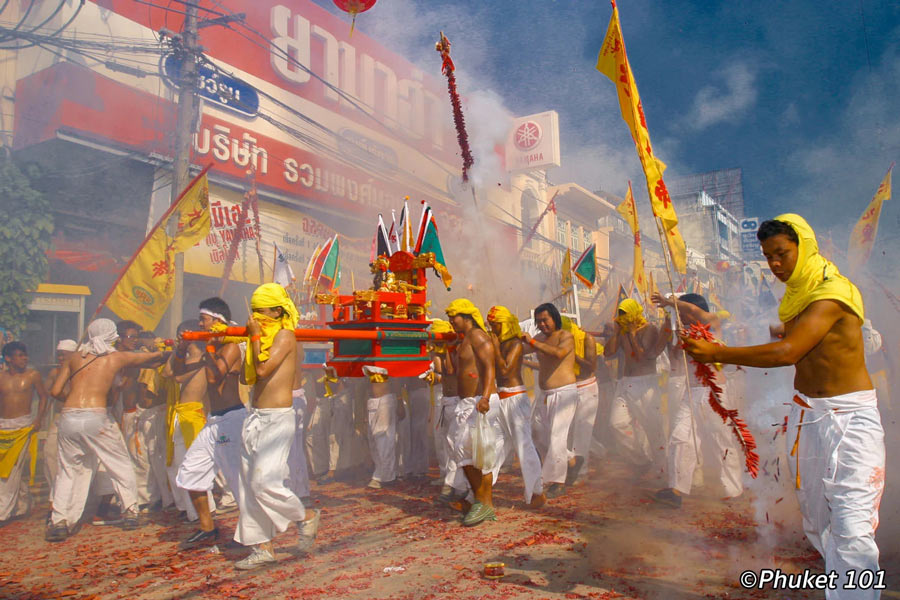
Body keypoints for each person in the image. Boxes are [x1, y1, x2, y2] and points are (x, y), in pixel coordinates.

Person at [682, 214, 884, 600]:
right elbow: (791, 338)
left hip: (849, 420)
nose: (774, 264)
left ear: (804, 248)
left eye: (781, 254)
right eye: (768, 256)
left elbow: (790, 351)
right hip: (809, 415)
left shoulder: (830, 293)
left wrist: (718, 351)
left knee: (852, 526)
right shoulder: (799, 297)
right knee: (818, 519)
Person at [45, 319, 167, 541]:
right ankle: (130, 511)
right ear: (112, 336)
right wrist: (170, 350)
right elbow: (151, 358)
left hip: (68, 417)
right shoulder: (114, 357)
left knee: (68, 470)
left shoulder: (74, 358)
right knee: (119, 463)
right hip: (96, 415)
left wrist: (74, 404)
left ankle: (59, 520)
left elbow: (55, 391)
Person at [233, 284, 320, 570]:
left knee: (264, 482)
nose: (257, 317)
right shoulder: (263, 337)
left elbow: (262, 370)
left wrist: (254, 336)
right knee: (248, 487)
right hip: (255, 415)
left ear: (277, 311)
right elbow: (249, 380)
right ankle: (262, 548)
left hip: (277, 419)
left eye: (262, 312)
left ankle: (305, 517)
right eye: (254, 312)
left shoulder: (284, 336)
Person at [651, 292, 742, 508]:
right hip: (691, 393)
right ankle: (677, 489)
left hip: (714, 392)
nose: (681, 316)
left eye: (683, 311)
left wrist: (670, 302)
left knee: (722, 441)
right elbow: (673, 356)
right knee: (680, 438)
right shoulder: (685, 331)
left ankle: (734, 490)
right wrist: (676, 333)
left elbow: (695, 312)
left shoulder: (711, 322)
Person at [175, 298, 246, 546]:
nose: (200, 324)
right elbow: (175, 373)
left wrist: (208, 348)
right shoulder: (211, 346)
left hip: (231, 419)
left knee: (237, 480)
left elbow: (214, 378)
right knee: (190, 472)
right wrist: (181, 348)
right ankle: (207, 528)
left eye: (204, 320)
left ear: (217, 321)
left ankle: (254, 535)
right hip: (213, 421)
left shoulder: (231, 346)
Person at [445, 299, 505, 526]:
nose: (451, 321)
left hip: (479, 402)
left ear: (467, 317)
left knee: (479, 455)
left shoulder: (478, 336)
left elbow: (491, 367)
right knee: (465, 453)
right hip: (468, 403)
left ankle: (485, 504)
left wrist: (486, 397)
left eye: (454, 317)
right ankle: (481, 501)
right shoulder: (466, 339)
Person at [487, 306, 545, 508]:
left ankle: (537, 492)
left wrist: (493, 346)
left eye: (495, 325)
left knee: (523, 445)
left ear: (504, 324)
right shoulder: (499, 343)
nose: (492, 328)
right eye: (490, 325)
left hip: (515, 399)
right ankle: (482, 490)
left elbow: (504, 369)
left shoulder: (515, 344)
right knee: (495, 445)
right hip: (500, 398)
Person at [604, 299, 667, 475]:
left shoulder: (649, 329)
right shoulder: (621, 332)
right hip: (625, 382)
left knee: (653, 429)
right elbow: (607, 353)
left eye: (625, 314)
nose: (622, 318)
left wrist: (632, 334)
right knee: (616, 424)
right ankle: (641, 461)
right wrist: (617, 333)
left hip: (645, 383)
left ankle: (663, 469)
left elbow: (643, 357)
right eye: (620, 314)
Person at [522, 303, 577, 499]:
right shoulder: (538, 339)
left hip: (564, 393)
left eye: (545, 320)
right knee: (537, 432)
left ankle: (558, 481)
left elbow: (558, 354)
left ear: (555, 318)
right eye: (538, 321)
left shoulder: (565, 337)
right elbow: (523, 352)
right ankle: (570, 460)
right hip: (544, 394)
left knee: (557, 437)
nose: (542, 324)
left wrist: (533, 343)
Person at [0, 341, 48, 523]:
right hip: (3, 426)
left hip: (23, 426)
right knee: (13, 469)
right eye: (19, 355)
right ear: (9, 359)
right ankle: (22, 506)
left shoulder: (33, 375)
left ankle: (3, 513)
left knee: (10, 469)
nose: (24, 359)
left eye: (25, 355)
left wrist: (39, 419)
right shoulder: (1, 377)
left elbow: (44, 396)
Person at [561, 316, 599, 486]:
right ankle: (600, 451)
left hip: (586, 387)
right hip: (568, 387)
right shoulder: (559, 340)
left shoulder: (587, 339)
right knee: (566, 429)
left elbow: (591, 366)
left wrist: (572, 354)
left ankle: (581, 472)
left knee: (582, 430)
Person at [44, 339, 78, 512]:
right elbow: (47, 395)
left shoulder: (80, 371)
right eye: (59, 354)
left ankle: (70, 500)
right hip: (58, 419)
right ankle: (54, 495)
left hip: (75, 419)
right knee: (50, 454)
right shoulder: (54, 372)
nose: (60, 357)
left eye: (64, 354)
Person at [363, 365, 400, 489]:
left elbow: (395, 380)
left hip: (385, 401)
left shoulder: (387, 359)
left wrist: (399, 401)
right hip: (373, 402)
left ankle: (387, 477)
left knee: (384, 440)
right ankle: (381, 473)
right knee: (373, 442)